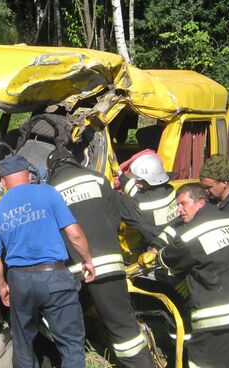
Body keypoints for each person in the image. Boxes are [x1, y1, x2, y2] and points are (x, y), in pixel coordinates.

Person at [141, 183, 229, 368]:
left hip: (222, 315)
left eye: (183, 204)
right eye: (177, 205)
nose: (179, 210)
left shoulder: (190, 235)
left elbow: (168, 260)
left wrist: (154, 254)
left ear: (201, 203)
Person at [46, 147, 155, 368]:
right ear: (75, 160)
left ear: (50, 168)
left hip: (72, 270)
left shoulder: (49, 191)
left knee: (66, 324)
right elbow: (116, 215)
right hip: (108, 263)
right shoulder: (97, 178)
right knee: (123, 325)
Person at [0, 155, 96, 368]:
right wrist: (87, 260)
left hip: (20, 282)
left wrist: (2, 287)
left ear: (2, 181)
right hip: (54, 277)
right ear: (28, 175)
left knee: (24, 345)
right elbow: (74, 234)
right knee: (71, 345)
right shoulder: (47, 193)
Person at [118, 154, 181, 244]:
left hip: (157, 250)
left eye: (139, 180)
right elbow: (138, 192)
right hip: (174, 240)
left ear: (151, 179)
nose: (135, 182)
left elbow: (111, 198)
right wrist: (120, 175)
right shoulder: (169, 190)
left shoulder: (137, 205)